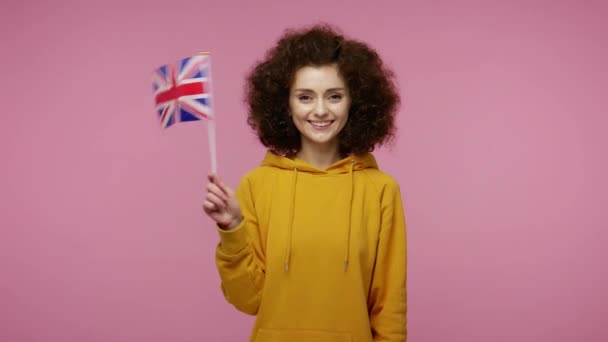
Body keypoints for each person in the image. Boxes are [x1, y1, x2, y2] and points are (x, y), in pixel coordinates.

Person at [203, 24, 407, 342]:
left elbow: (389, 307)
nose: (321, 110)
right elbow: (248, 299)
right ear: (286, 104)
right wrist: (232, 228)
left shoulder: (381, 190)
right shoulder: (256, 185)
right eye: (305, 97)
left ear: (356, 102)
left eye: (335, 96)